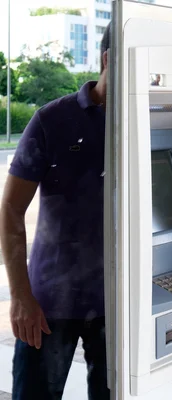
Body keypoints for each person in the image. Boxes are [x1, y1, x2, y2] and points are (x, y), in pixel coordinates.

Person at [0, 24, 112, 400]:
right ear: (108, 59)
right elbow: (12, 210)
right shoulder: (52, 120)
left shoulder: (144, 122)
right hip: (48, 304)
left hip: (116, 301)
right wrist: (20, 297)